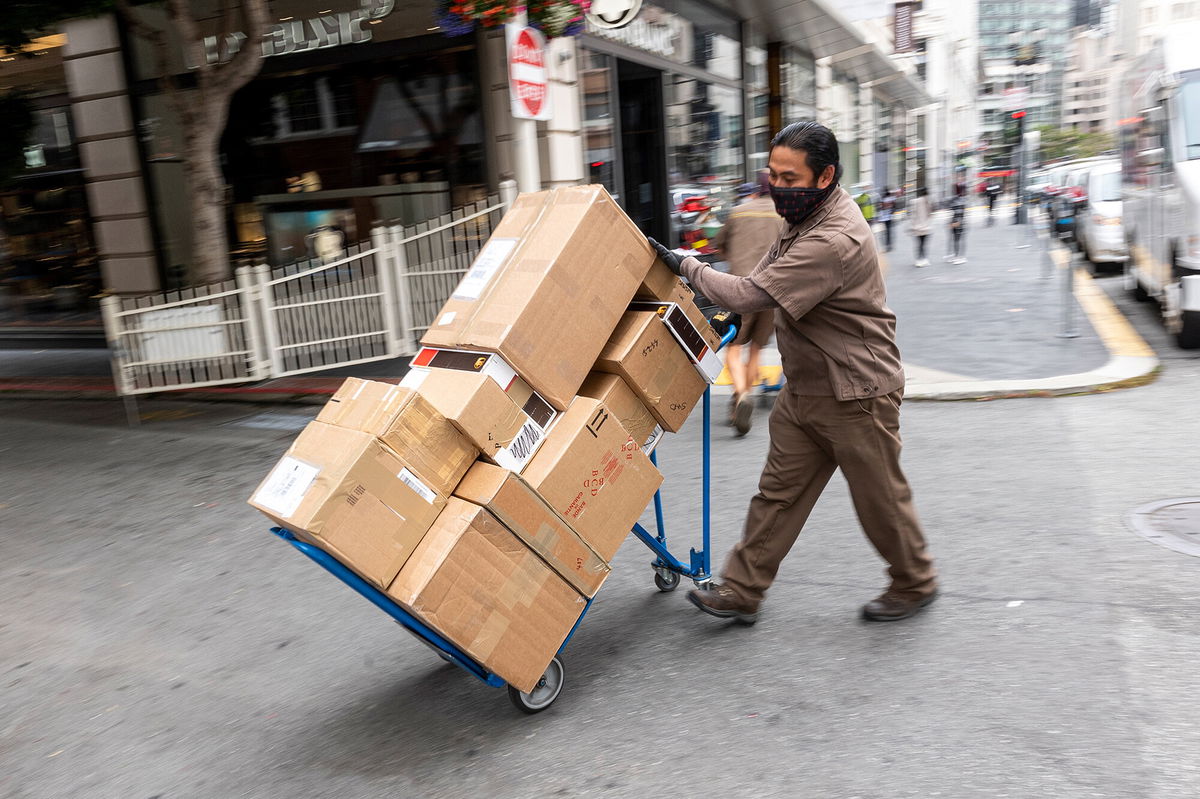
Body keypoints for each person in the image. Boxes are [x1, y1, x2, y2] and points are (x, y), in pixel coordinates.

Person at [646, 121, 938, 624]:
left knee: (880, 499)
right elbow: (761, 281)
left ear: (825, 176)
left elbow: (750, 293)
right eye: (772, 176)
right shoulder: (803, 218)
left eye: (789, 178)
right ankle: (742, 590)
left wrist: (687, 267)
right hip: (807, 388)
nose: (777, 189)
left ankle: (915, 581)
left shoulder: (834, 237)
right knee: (777, 494)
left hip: (856, 392)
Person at [713, 171, 786, 436]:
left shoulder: (739, 212)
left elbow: (719, 244)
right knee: (756, 349)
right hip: (770, 292)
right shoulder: (784, 217)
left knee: (732, 348)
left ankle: (741, 395)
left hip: (738, 290)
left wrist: (735, 259)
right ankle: (744, 395)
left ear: (755, 189)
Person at [909, 187, 932, 267]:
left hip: (918, 227)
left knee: (920, 244)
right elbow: (930, 215)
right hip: (924, 227)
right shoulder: (927, 201)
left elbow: (913, 215)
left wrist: (913, 225)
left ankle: (919, 260)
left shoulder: (917, 201)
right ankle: (923, 259)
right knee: (923, 244)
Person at [947, 184, 967, 264]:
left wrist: (957, 223)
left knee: (958, 240)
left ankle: (960, 257)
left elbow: (960, 213)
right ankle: (956, 256)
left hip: (959, 223)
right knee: (955, 240)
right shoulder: (956, 199)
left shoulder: (960, 200)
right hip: (955, 222)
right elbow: (952, 209)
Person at [877, 187, 896, 252]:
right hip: (889, 218)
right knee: (888, 232)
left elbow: (880, 208)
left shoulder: (882, 199)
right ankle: (888, 245)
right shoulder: (891, 199)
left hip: (883, 218)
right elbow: (894, 208)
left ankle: (885, 245)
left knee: (883, 233)